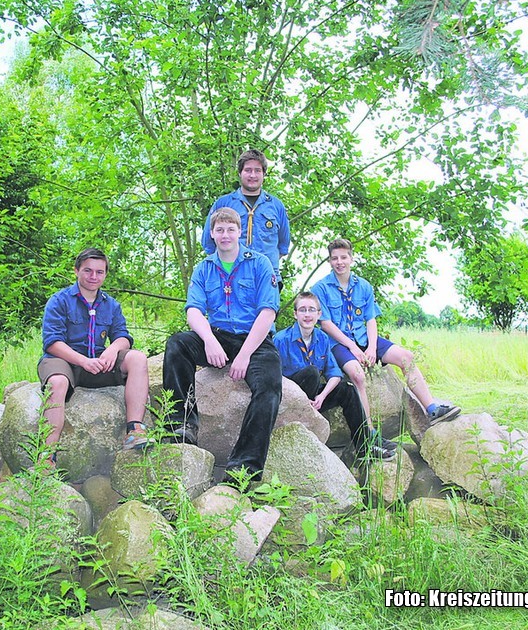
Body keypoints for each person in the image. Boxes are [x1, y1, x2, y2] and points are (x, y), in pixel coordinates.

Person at [163, 207, 282, 484]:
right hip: (218, 335)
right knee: (177, 345)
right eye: (219, 230)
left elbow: (267, 312)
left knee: (270, 388)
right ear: (212, 234)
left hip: (255, 340)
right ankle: (181, 426)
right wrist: (210, 341)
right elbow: (193, 310)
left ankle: (244, 467)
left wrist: (243, 356)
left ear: (240, 232)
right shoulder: (204, 268)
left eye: (231, 229)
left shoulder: (260, 263)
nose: (225, 235)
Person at [312, 238, 460, 428]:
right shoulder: (320, 288)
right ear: (329, 261)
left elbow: (370, 319)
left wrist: (372, 348)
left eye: (343, 257)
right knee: (357, 375)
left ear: (351, 258)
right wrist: (353, 348)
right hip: (339, 343)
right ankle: (369, 432)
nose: (339, 262)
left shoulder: (364, 286)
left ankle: (432, 409)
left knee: (407, 357)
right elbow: (325, 324)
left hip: (364, 337)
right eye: (334, 258)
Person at [37, 248, 150, 464]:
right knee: (58, 382)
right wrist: (82, 361)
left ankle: (135, 430)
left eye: (100, 272)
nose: (93, 277)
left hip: (97, 363)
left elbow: (123, 336)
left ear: (105, 274)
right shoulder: (59, 301)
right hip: (64, 362)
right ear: (76, 271)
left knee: (137, 358)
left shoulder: (111, 305)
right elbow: (51, 343)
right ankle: (46, 458)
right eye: (88, 271)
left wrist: (112, 349)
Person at [273, 291, 398, 460]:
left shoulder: (323, 338)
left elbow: (335, 373)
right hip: (290, 399)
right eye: (303, 310)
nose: (307, 314)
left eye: (312, 310)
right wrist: (296, 399)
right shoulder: (281, 339)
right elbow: (274, 378)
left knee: (348, 390)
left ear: (319, 314)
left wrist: (322, 396)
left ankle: (364, 448)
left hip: (315, 399)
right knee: (311, 372)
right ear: (295, 314)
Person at [202, 149, 290, 291]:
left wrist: (260, 266)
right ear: (240, 173)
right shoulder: (223, 204)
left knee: (266, 313)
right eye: (248, 170)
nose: (252, 175)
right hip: (230, 280)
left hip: (267, 280)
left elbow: (283, 246)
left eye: (257, 170)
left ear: (264, 174)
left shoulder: (276, 206)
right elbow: (209, 243)